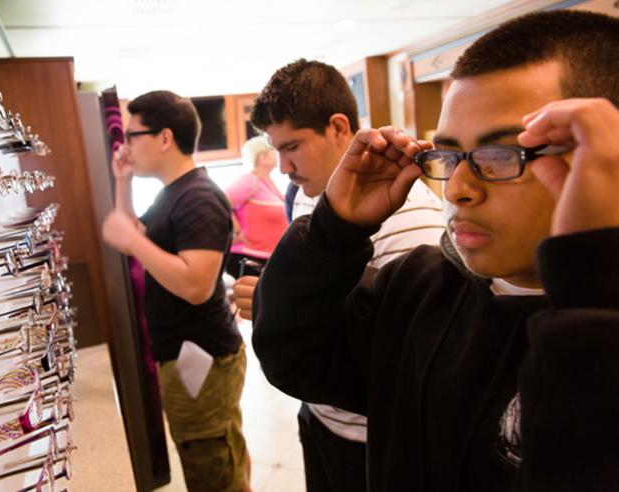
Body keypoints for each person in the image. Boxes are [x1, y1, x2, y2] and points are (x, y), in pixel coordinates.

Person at [251, 10, 619, 492]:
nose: (458, 189)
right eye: (448, 156)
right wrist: (331, 231)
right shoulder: (418, 288)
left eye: (501, 155)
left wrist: (592, 288)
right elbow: (293, 358)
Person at [234, 59, 446, 492]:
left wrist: (274, 306)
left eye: (292, 147)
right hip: (319, 416)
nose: (283, 167)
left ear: (337, 127)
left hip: (370, 439)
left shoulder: (411, 217)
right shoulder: (307, 196)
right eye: (275, 151)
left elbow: (410, 357)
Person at [102, 90, 250, 492]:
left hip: (202, 356)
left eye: (133, 135)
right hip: (189, 354)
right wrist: (123, 182)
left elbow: (196, 285)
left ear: (164, 137)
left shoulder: (198, 198)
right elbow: (137, 232)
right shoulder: (174, 193)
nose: (126, 145)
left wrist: (132, 242)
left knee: (213, 467)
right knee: (210, 456)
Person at [224, 136, 287, 279]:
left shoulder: (266, 182)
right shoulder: (250, 180)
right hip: (249, 258)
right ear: (262, 157)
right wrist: (237, 231)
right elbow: (220, 201)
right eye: (272, 150)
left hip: (266, 259)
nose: (276, 153)